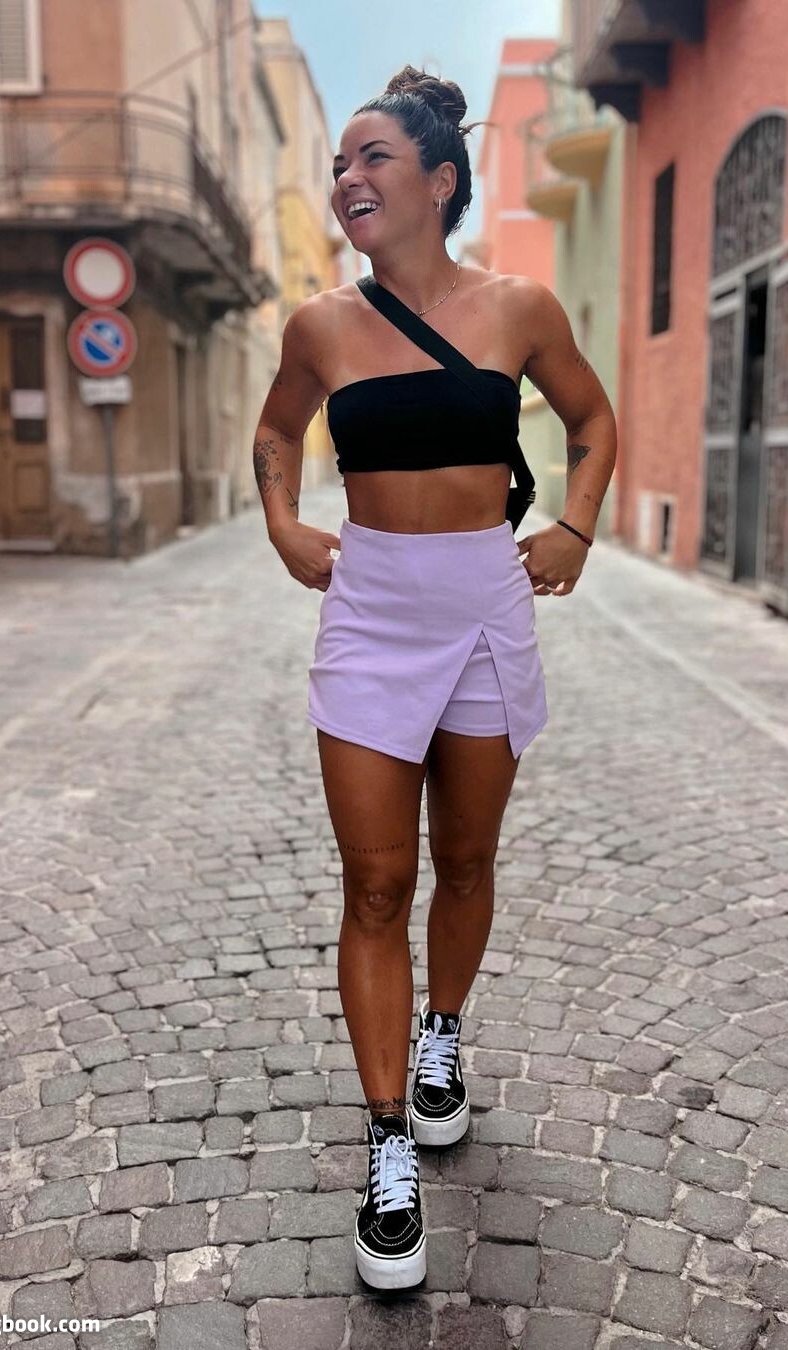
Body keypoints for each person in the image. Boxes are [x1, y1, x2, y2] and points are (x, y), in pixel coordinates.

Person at [252, 65, 617, 1290]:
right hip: (369, 613)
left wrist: (574, 528)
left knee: (465, 861)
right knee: (375, 883)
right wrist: (281, 522)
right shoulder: (319, 327)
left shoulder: (519, 307)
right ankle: (387, 1142)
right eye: (340, 165)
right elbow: (275, 430)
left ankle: (443, 1035)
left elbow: (594, 420)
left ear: (440, 181)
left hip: (483, 608)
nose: (348, 179)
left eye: (374, 160)